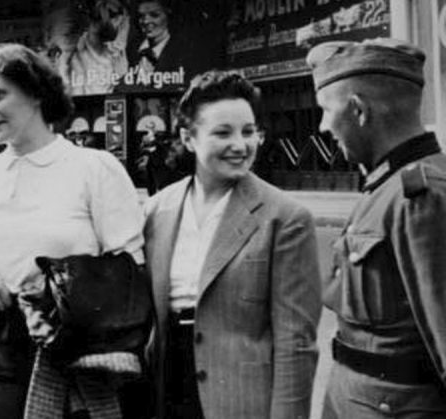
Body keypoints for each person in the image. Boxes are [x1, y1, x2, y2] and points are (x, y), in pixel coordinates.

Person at [0, 43, 146, 419]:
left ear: (36, 93)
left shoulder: (93, 167)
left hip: (71, 352)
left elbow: (128, 269)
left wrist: (58, 289)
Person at [142, 70, 322, 419]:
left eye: (249, 132)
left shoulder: (285, 217)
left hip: (240, 399)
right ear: (189, 138)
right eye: (222, 133)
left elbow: (296, 343)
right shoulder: (157, 210)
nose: (240, 145)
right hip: (166, 390)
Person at [307, 39, 446, 418]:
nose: (322, 126)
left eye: (325, 111)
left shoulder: (422, 195)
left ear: (358, 109)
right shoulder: (387, 187)